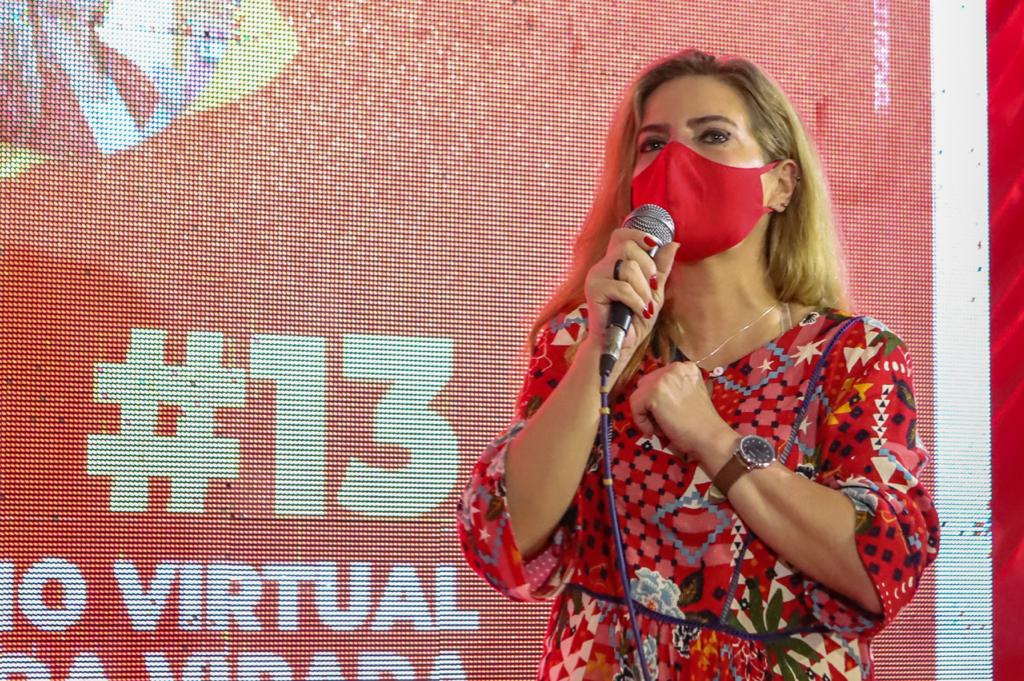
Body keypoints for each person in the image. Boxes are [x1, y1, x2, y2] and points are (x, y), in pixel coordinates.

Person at [457, 49, 940, 680]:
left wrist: (713, 437)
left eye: (712, 136)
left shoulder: (854, 355)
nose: (676, 162)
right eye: (653, 144)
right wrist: (601, 352)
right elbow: (503, 540)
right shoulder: (583, 337)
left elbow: (881, 567)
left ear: (780, 183)